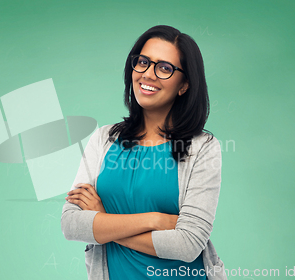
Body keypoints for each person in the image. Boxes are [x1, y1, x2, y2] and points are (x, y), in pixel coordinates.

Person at [61, 25, 227, 280]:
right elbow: (71, 224)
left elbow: (188, 244)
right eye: (143, 62)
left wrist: (104, 221)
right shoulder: (104, 139)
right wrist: (156, 220)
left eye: (164, 68)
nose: (148, 74)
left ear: (184, 85)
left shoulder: (203, 148)